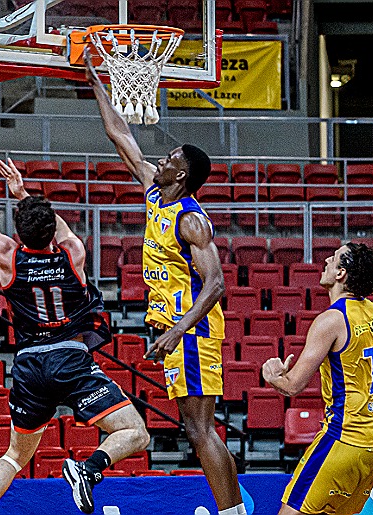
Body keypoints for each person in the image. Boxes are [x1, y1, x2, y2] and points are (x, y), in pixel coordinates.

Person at [0, 121, 150, 515]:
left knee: (15, 455)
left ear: (19, 232)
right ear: (52, 228)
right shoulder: (73, 253)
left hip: (29, 365)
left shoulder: (8, 256)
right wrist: (24, 193)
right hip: (70, 358)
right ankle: (87, 470)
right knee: (135, 432)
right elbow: (56, 225)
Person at [84, 50, 246, 515]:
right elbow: (121, 135)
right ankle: (234, 510)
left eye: (171, 156)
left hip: (191, 330)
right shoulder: (155, 192)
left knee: (199, 430)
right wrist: (95, 79)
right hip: (175, 327)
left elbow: (216, 286)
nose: (161, 157)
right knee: (199, 429)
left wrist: (176, 330)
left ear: (184, 174)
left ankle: (233, 512)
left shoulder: (193, 221)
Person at [262, 242, 373, 515]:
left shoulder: (332, 319)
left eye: (334, 257)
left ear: (341, 273)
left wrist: (273, 376)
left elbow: (293, 386)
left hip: (344, 439)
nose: (326, 259)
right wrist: (369, 415)